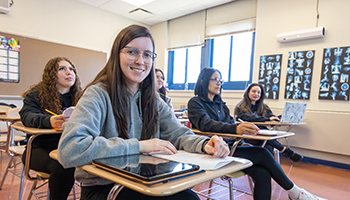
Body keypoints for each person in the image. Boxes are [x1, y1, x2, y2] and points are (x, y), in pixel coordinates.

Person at [57, 24, 230, 200]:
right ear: (117, 55)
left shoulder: (153, 99)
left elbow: (178, 134)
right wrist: (139, 145)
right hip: (106, 187)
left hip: (144, 181)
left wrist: (205, 144)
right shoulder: (98, 93)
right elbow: (69, 149)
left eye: (147, 54)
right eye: (132, 52)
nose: (141, 61)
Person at [187, 67, 327, 200]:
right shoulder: (195, 102)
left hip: (230, 147)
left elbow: (229, 123)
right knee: (262, 153)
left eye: (220, 80)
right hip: (211, 149)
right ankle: (296, 193)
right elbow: (205, 124)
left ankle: (295, 193)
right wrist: (235, 129)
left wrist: (242, 127)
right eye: (215, 79)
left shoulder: (221, 105)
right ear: (203, 81)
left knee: (263, 174)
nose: (219, 83)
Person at [19, 57, 82, 200]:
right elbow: (27, 116)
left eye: (71, 69)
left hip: (70, 147)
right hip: (39, 149)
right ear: (51, 74)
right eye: (62, 69)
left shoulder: (81, 97)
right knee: (64, 166)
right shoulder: (37, 94)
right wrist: (49, 121)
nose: (69, 72)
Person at [234, 83, 303, 162]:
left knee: (268, 144)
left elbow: (271, 116)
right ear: (248, 92)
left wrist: (280, 118)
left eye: (259, 92)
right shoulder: (240, 107)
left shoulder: (264, 107)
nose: (256, 94)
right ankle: (285, 151)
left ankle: (267, 167)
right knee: (266, 137)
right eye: (253, 91)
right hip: (247, 135)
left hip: (262, 136)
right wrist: (267, 119)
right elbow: (247, 118)